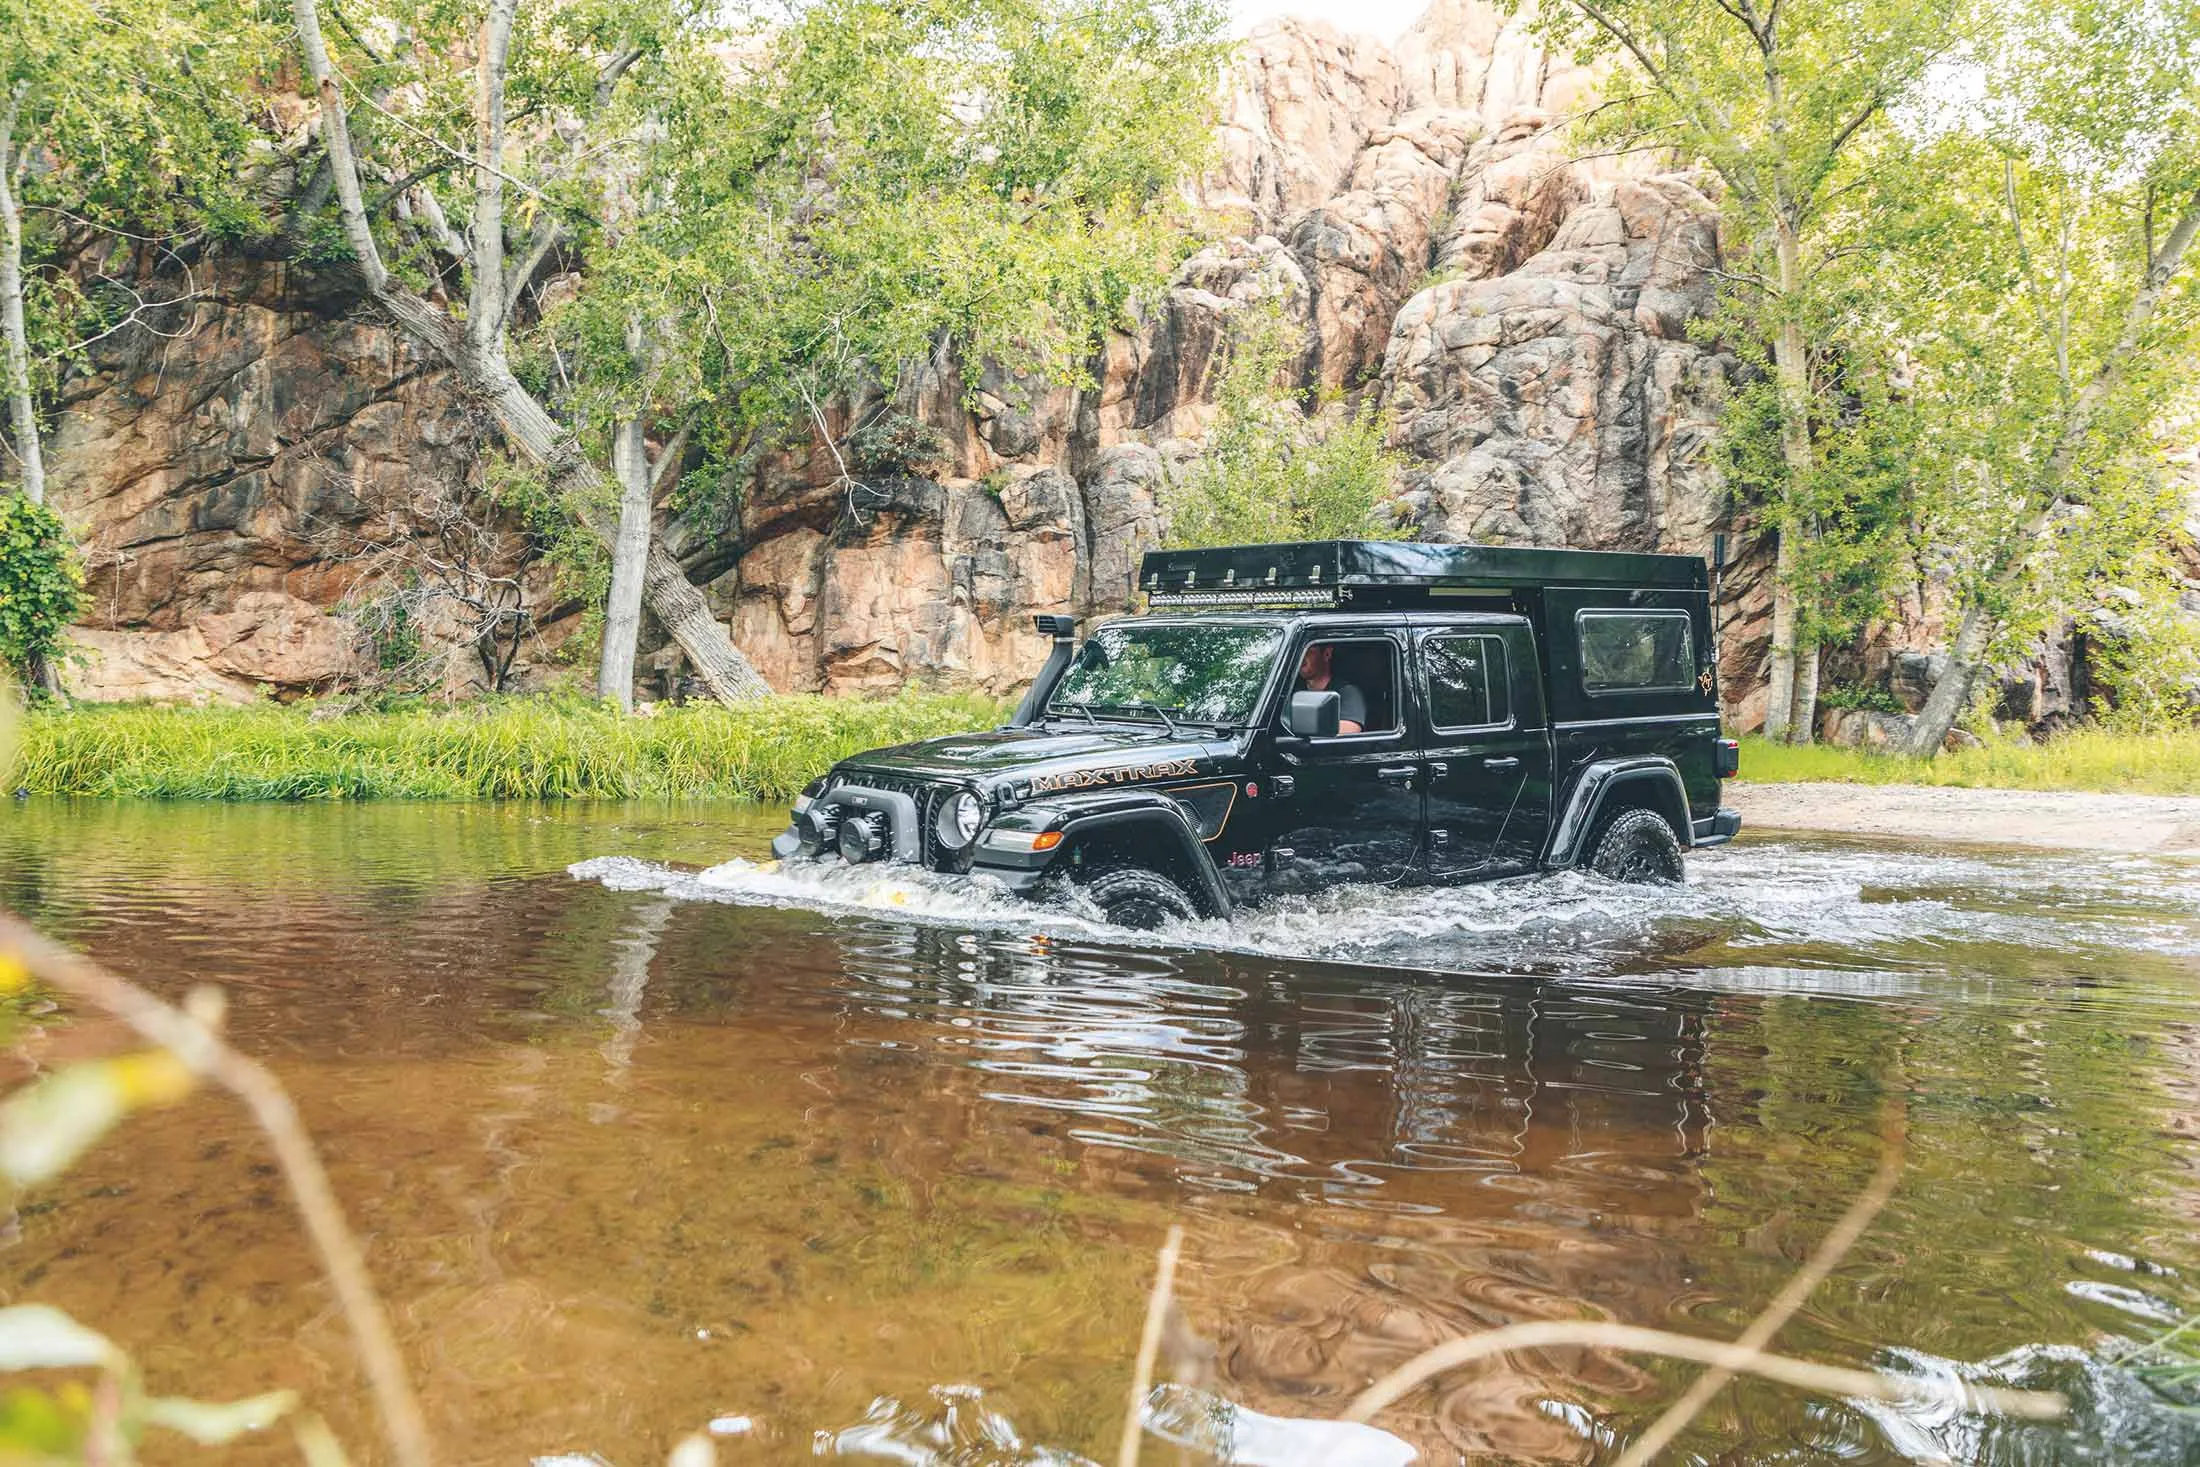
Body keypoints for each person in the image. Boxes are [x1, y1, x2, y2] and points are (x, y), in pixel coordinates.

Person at [1296, 642, 1366, 734]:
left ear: (1327, 654)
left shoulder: (1348, 693)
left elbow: (1346, 737)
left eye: (1309, 651)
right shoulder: (1291, 690)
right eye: (1299, 652)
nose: (1301, 657)